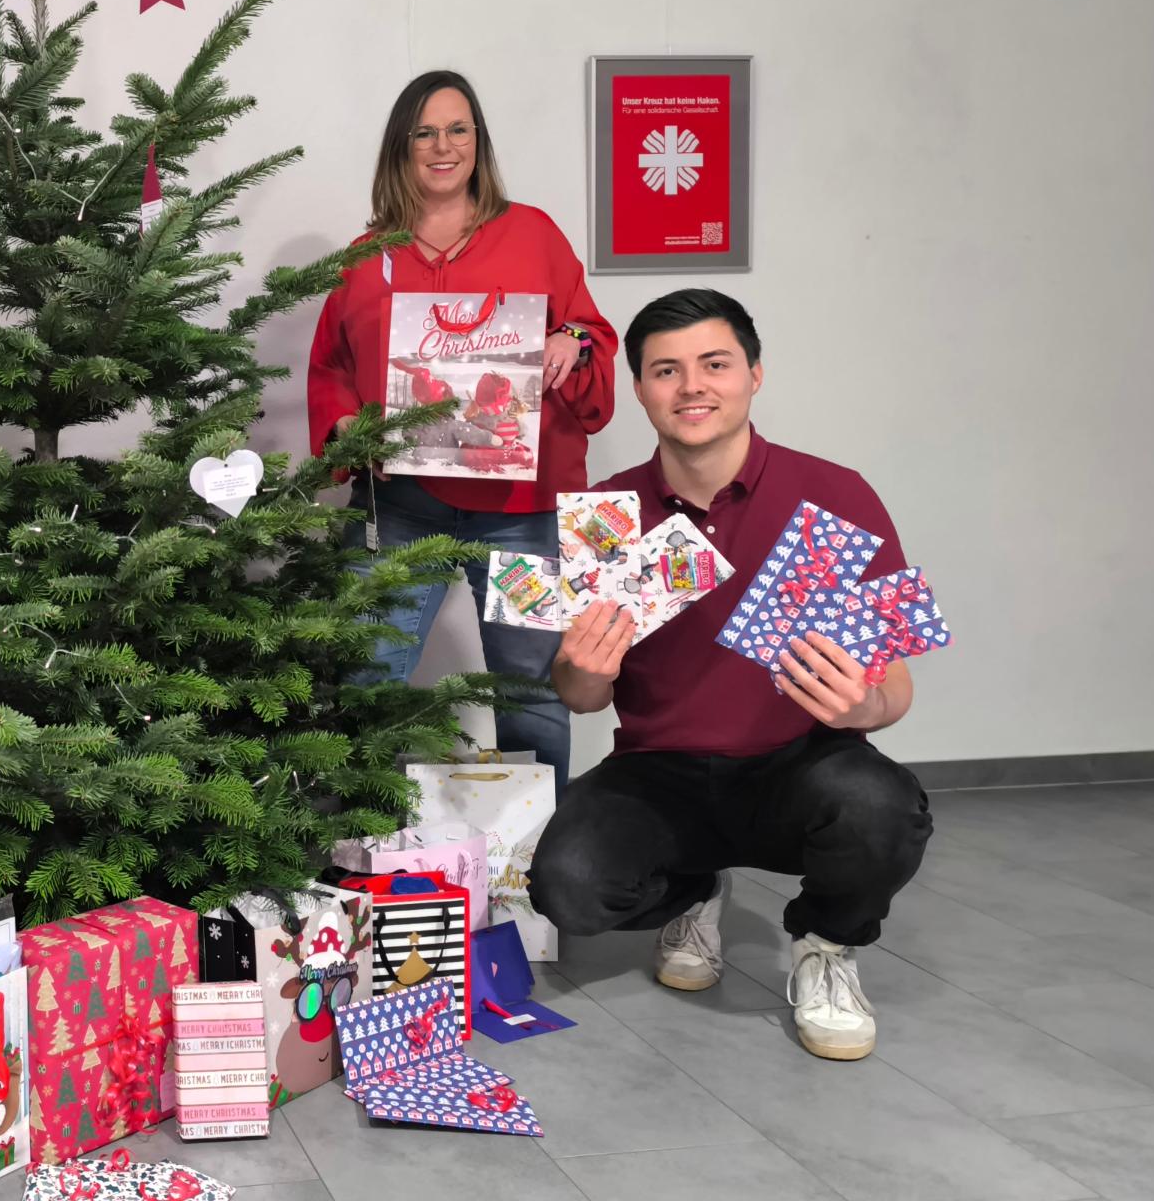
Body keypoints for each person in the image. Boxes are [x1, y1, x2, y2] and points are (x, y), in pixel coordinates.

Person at [529, 289, 933, 1060]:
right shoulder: (606, 513)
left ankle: (826, 946)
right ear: (640, 388)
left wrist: (862, 706)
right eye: (666, 371)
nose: (692, 387)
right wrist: (580, 670)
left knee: (881, 809)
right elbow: (582, 699)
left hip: (801, 764)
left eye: (714, 365)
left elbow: (897, 687)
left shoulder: (837, 494)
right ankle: (694, 890)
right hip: (659, 771)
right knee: (568, 888)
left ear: (754, 374)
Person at [307, 70, 616, 779]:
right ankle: (365, 832)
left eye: (458, 130)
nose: (442, 147)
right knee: (365, 678)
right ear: (401, 146)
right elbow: (330, 364)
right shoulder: (367, 256)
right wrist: (346, 424)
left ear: (479, 142)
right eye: (424, 132)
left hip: (520, 510)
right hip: (400, 505)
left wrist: (571, 339)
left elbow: (590, 332)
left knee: (529, 689)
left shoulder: (533, 234)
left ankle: (540, 843)